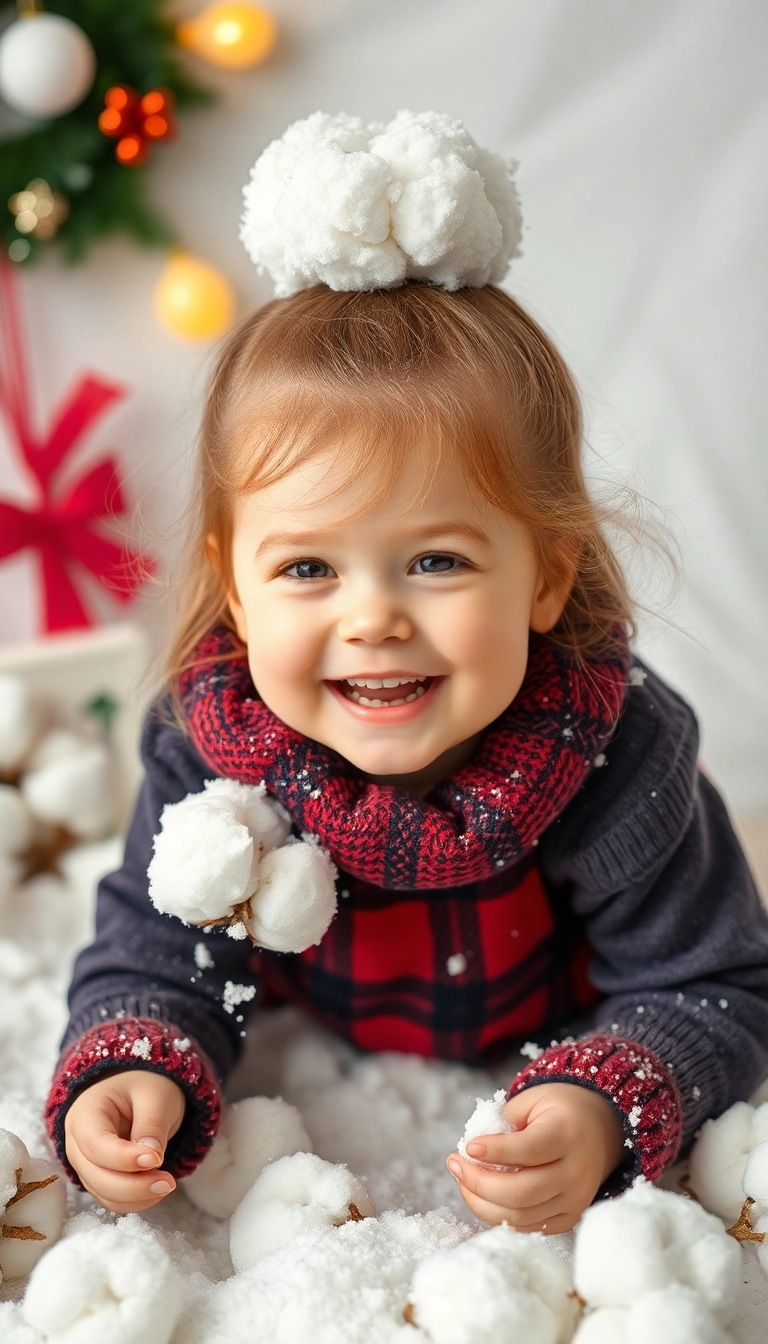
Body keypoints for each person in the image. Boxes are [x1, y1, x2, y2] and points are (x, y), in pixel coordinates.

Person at [45, 112, 768, 1235]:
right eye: (308, 568)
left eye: (436, 560)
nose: (373, 618)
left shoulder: (620, 755)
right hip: (315, 1040)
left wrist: (606, 1095)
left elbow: (715, 984)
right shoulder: (210, 747)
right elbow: (153, 943)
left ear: (543, 575)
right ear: (235, 592)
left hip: (541, 1029)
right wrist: (133, 1066)